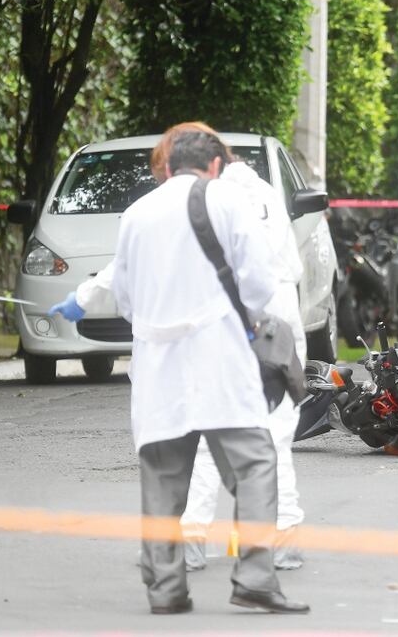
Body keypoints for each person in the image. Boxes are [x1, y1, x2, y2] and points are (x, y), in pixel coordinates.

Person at [50, 123, 308, 572]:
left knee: (203, 432)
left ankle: (189, 541)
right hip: (270, 326)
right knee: (271, 435)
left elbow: (129, 270)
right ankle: (277, 542)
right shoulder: (258, 191)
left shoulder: (200, 199)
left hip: (231, 325)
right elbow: (275, 273)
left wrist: (85, 298)